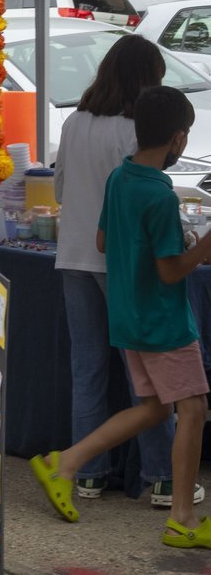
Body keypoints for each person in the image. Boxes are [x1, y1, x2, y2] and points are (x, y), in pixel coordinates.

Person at [32, 86, 211, 548]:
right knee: (193, 410)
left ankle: (66, 463)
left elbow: (103, 244)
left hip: (128, 317)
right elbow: (170, 272)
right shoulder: (161, 195)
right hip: (164, 322)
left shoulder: (121, 178)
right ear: (177, 139)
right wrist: (204, 247)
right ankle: (183, 518)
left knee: (154, 409)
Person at [54, 35, 198, 507]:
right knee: (148, 381)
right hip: (120, 264)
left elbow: (58, 190)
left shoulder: (74, 121)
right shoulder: (133, 130)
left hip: (74, 253)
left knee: (87, 368)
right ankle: (160, 477)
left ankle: (89, 474)